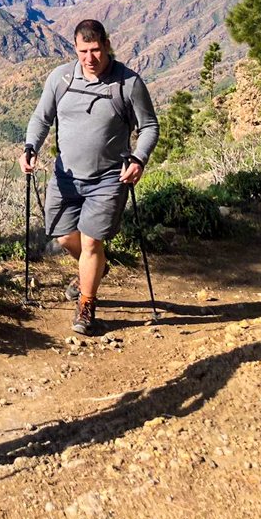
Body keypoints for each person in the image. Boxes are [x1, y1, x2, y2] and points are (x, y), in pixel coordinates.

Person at [20, 19, 159, 336]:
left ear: (107, 45)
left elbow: (149, 126)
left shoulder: (128, 84)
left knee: (92, 241)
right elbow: (42, 118)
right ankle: (93, 270)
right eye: (83, 51)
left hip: (109, 178)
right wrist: (31, 147)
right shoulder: (61, 78)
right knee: (65, 238)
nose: (90, 58)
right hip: (65, 176)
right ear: (75, 48)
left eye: (96, 50)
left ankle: (86, 304)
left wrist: (139, 158)